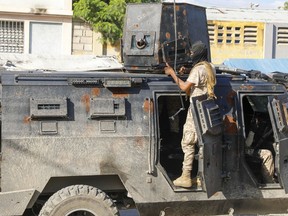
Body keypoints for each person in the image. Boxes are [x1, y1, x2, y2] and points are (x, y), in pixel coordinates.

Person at [164, 41, 216, 188]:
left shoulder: (197, 70)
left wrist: (172, 73)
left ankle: (186, 176)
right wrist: (187, 70)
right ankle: (201, 176)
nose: (191, 56)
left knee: (187, 142)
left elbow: (184, 86)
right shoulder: (209, 67)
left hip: (196, 111)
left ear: (198, 54)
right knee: (202, 143)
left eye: (193, 53)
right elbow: (199, 79)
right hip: (208, 110)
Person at [245, 112, 275, 183]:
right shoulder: (246, 124)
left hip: (251, 147)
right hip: (245, 149)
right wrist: (252, 131)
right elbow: (247, 145)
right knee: (267, 154)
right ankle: (269, 181)